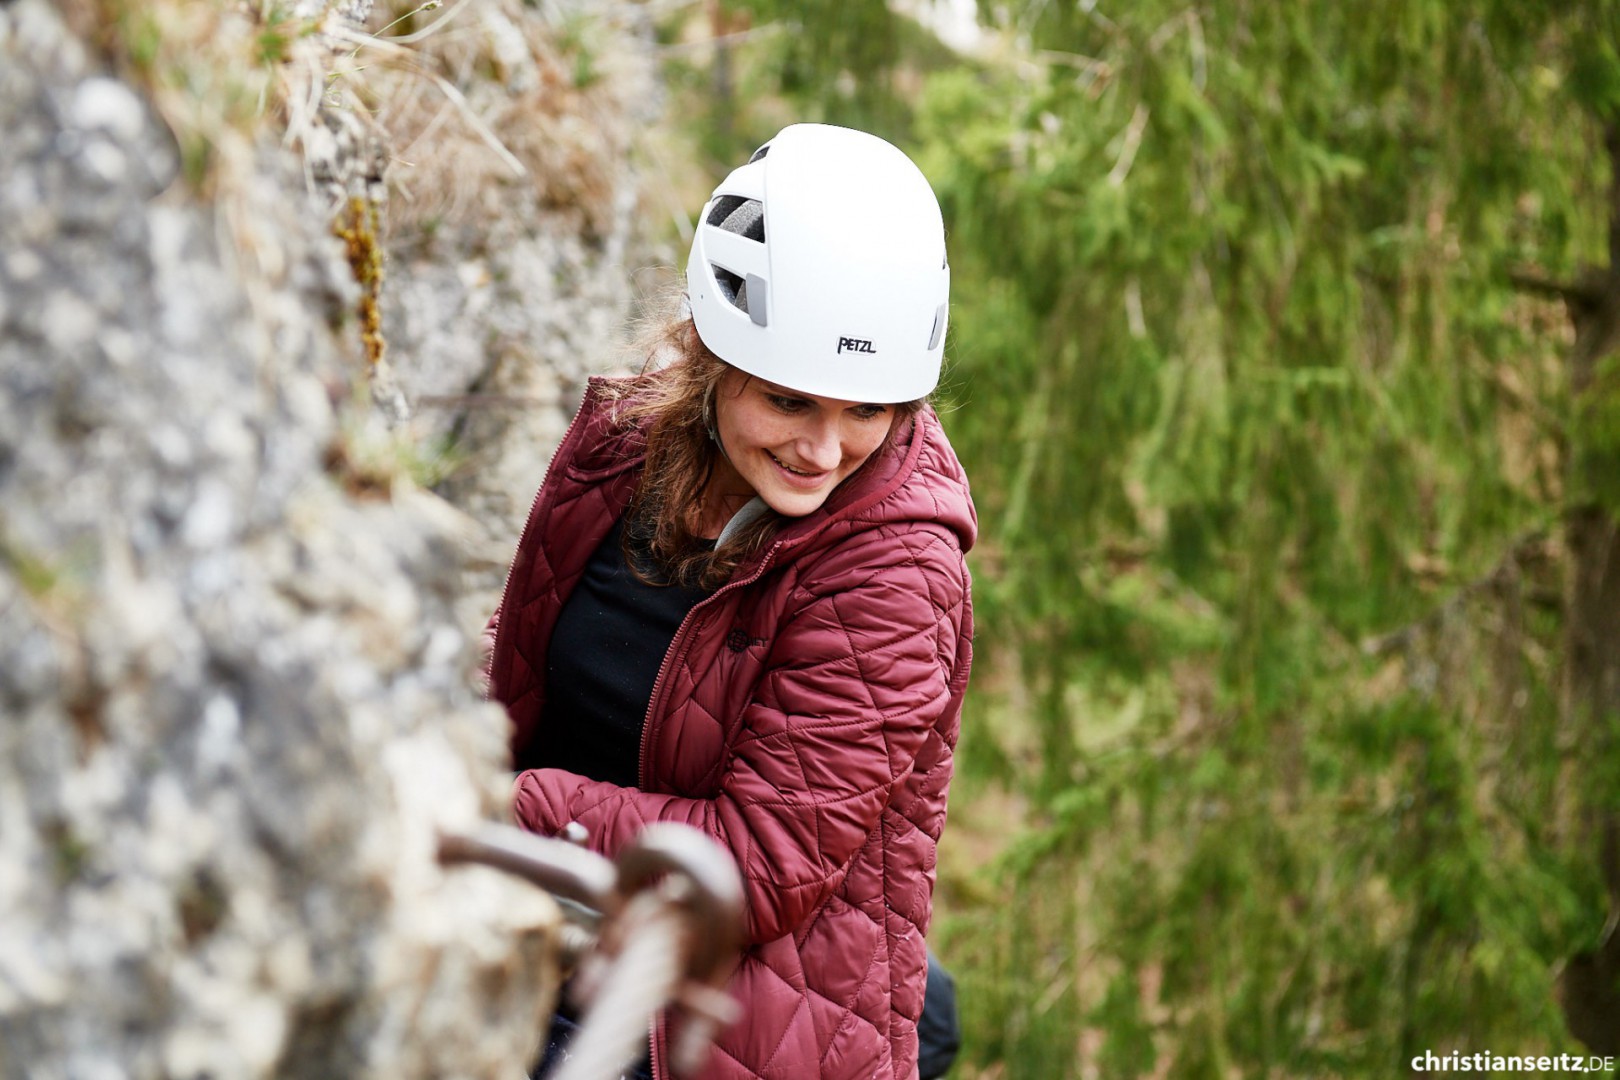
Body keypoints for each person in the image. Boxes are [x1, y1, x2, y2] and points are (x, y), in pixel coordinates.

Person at [484, 122, 976, 1080]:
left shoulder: (898, 570)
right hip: (567, 906)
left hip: (714, 1007)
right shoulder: (626, 448)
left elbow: (758, 864)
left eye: (866, 412)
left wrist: (510, 805)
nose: (825, 452)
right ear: (713, 360)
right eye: (791, 401)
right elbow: (531, 654)